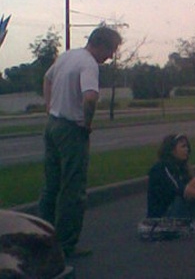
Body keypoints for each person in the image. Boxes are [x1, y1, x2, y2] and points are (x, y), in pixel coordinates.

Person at [38, 26, 122, 258]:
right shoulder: (88, 64)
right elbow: (90, 97)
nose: (110, 56)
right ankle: (66, 244)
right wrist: (87, 122)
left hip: (53, 125)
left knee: (51, 186)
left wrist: (49, 106)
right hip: (72, 130)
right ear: (101, 45)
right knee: (72, 189)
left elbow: (47, 79)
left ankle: (40, 238)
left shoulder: (67, 56)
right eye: (111, 50)